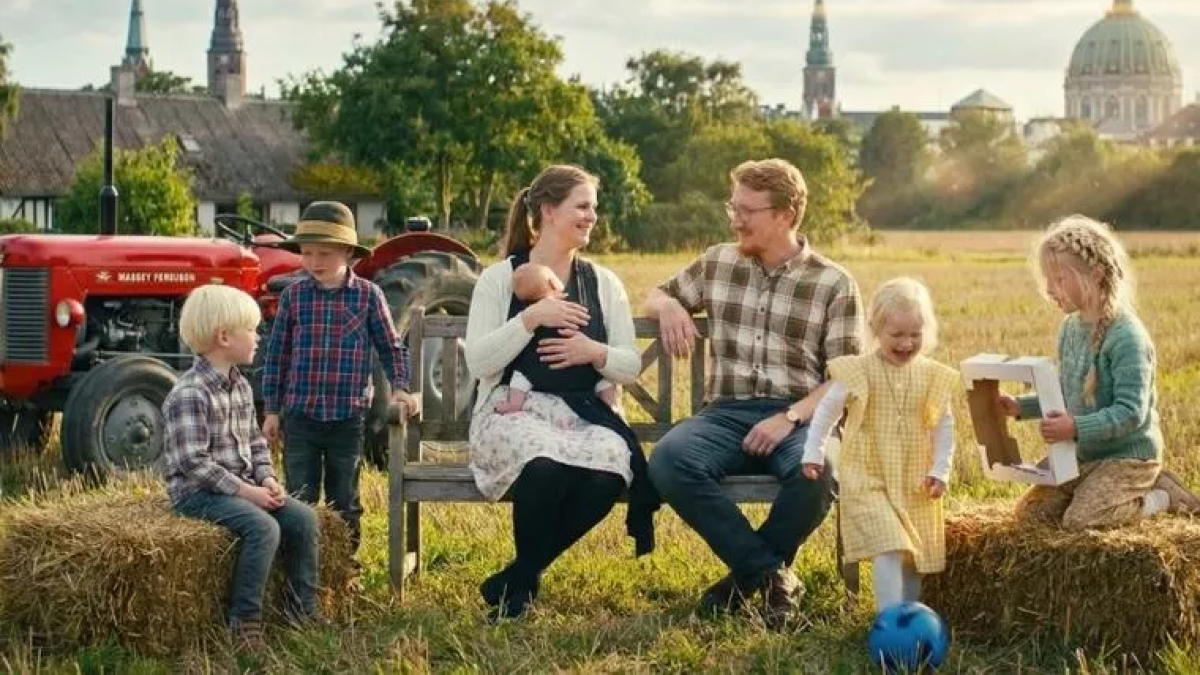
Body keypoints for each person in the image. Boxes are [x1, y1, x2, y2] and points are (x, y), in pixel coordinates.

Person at [645, 158, 863, 627]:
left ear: (785, 215)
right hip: (724, 415)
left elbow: (846, 377)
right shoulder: (718, 262)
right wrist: (667, 307)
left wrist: (790, 417)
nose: (735, 219)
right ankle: (771, 577)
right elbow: (657, 293)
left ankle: (744, 583)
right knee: (668, 460)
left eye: (747, 211)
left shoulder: (834, 283)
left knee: (817, 470)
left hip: (800, 417)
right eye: (733, 208)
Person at [465, 165, 655, 621]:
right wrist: (532, 318)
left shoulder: (603, 282)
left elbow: (629, 365)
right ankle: (519, 596)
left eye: (594, 207)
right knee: (544, 467)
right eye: (582, 206)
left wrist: (592, 351)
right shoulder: (499, 279)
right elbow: (480, 363)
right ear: (548, 211)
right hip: (513, 411)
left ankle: (519, 576)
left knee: (610, 471)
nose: (592, 216)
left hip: (586, 413)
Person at [997, 215, 1200, 529]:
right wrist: (1020, 407)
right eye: (1047, 279)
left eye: (1059, 279)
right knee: (1031, 518)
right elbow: (1065, 391)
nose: (1049, 289)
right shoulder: (1070, 329)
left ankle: (1161, 496)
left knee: (1082, 520)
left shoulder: (1127, 337)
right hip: (1084, 454)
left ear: (1096, 275)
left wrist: (1074, 427)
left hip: (1127, 458)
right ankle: (1101, 489)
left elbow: (1131, 413)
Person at [162, 284, 321, 652]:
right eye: (250, 329)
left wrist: (267, 478)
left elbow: (255, 443)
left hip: (243, 485)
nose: (258, 336)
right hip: (198, 494)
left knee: (304, 519)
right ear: (224, 337)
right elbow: (193, 463)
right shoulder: (190, 393)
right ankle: (245, 622)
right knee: (263, 527)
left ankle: (302, 609)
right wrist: (248, 493)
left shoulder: (242, 387)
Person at [261, 201, 420, 554]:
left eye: (324, 254)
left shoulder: (368, 296)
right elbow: (277, 356)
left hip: (347, 417)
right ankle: (299, 567)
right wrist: (272, 409)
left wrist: (400, 388)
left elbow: (391, 347)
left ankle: (344, 566)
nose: (314, 262)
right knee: (299, 497)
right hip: (300, 415)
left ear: (348, 252)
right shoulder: (294, 297)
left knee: (344, 499)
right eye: (307, 253)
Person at [802, 277, 958, 613]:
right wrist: (813, 451)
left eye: (915, 334)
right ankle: (889, 618)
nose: (906, 343)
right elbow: (827, 411)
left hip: (915, 480)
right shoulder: (858, 371)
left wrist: (940, 469)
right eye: (897, 334)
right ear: (876, 330)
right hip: (867, 476)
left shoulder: (932, 376)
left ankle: (909, 615)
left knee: (913, 554)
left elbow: (944, 426)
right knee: (891, 546)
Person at [495, 262, 618, 414]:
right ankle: (610, 405)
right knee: (604, 380)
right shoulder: (572, 304)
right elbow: (589, 324)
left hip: (539, 372)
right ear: (553, 282)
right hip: (581, 372)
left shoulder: (527, 313)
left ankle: (514, 404)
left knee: (519, 377)